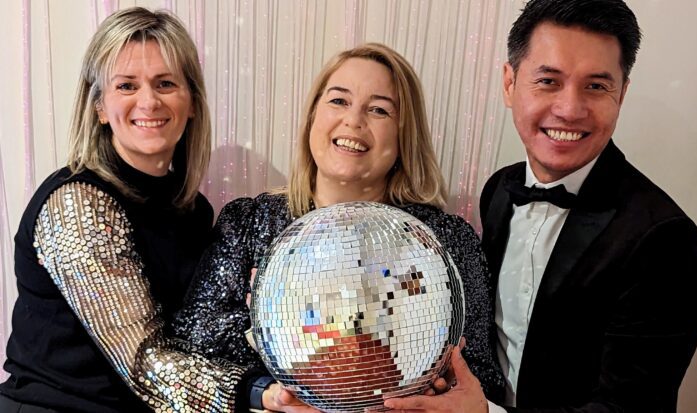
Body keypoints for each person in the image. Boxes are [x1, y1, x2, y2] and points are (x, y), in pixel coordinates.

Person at [384, 0, 697, 412]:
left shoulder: (663, 237)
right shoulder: (500, 189)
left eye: (596, 86)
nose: (570, 109)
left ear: (622, 94)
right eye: (549, 81)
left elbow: (630, 405)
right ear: (509, 83)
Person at [172, 42, 506, 412]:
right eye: (338, 101)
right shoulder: (249, 224)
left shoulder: (443, 241)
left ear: (403, 134)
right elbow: (192, 347)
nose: (354, 121)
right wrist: (267, 388)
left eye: (379, 109)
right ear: (313, 115)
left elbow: (479, 378)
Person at [0, 7, 262, 413]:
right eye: (126, 86)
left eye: (165, 83)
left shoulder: (193, 211)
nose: (149, 101)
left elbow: (198, 333)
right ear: (100, 107)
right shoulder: (76, 203)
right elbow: (145, 363)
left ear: (191, 102)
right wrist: (255, 391)